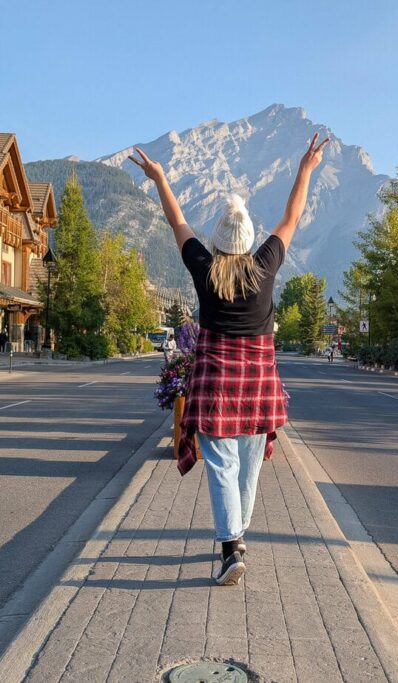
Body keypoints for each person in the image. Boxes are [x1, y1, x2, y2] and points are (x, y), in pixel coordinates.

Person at [128, 133, 329, 586]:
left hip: (217, 385)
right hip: (258, 384)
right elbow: (292, 216)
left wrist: (159, 177)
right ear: (250, 242)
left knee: (222, 463)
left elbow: (177, 221)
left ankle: (230, 546)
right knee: (249, 464)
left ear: (218, 243)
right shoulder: (265, 266)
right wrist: (306, 169)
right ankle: (237, 539)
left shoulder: (204, 269)